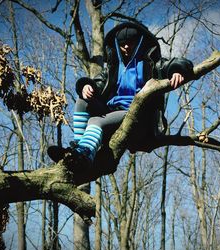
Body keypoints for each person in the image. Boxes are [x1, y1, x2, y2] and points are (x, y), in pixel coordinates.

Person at [48, 21, 194, 170]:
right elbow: (99, 83)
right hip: (113, 112)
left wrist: (177, 70)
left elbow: (176, 64)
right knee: (81, 101)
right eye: (122, 44)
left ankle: (84, 156)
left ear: (139, 42)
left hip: (139, 117)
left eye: (130, 43)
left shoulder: (149, 64)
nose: (126, 47)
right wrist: (87, 86)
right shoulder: (114, 67)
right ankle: (78, 152)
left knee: (95, 122)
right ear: (117, 45)